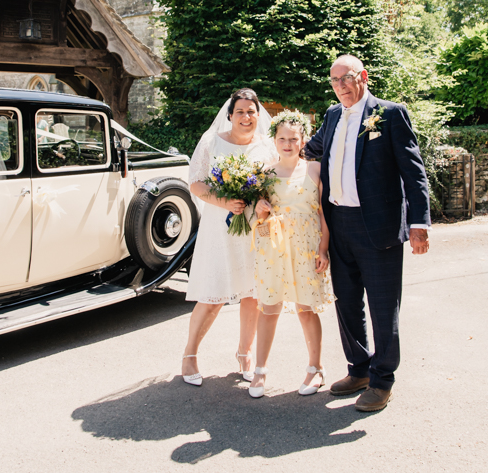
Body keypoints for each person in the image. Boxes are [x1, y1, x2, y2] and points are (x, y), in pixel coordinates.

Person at [304, 55, 431, 412]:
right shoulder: (331, 116)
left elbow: (414, 172)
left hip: (378, 226)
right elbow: (310, 149)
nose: (340, 86)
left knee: (382, 306)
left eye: (346, 78)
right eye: (334, 81)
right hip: (337, 224)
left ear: (363, 76)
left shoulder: (390, 114)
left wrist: (419, 224)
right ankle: (358, 369)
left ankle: (382, 379)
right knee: (346, 303)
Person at [181, 89, 278, 386]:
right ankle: (189, 355)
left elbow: (276, 184)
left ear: (258, 115)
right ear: (230, 115)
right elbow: (195, 183)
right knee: (212, 296)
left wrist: (263, 203)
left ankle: (245, 353)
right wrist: (224, 202)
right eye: (240, 112)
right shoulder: (212, 142)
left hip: (253, 228)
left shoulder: (267, 145)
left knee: (252, 294)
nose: (246, 117)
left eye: (251, 111)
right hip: (219, 226)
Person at [248, 111, 332, 398]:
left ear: (302, 140)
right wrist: (258, 212)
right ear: (274, 141)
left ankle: (315, 368)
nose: (287, 143)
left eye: (293, 139)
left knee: (306, 308)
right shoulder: (265, 174)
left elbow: (324, 214)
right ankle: (259, 371)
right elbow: (254, 220)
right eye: (282, 138)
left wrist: (324, 250)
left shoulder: (315, 170)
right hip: (273, 250)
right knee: (268, 308)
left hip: (307, 247)